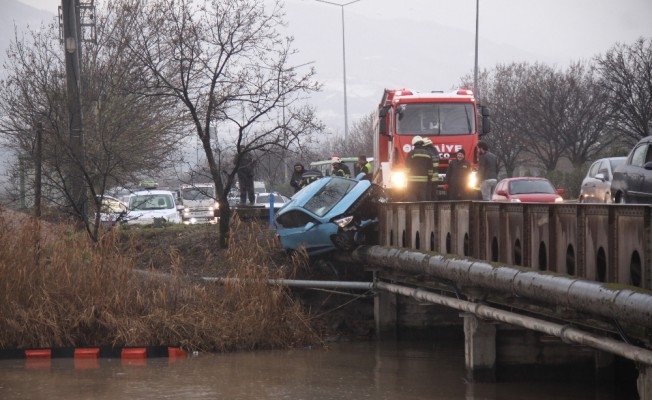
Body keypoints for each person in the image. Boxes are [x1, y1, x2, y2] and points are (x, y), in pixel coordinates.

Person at [405, 136, 434, 201]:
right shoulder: (428, 154)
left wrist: (406, 176)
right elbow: (430, 169)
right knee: (422, 197)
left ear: (414, 144)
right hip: (424, 180)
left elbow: (407, 167)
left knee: (412, 195)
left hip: (412, 180)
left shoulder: (411, 153)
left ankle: (414, 210)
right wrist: (429, 178)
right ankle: (422, 210)